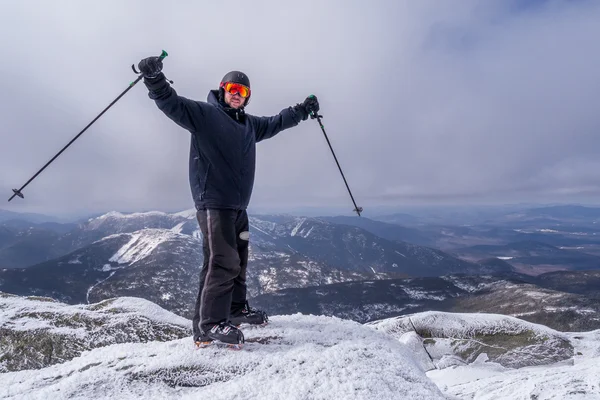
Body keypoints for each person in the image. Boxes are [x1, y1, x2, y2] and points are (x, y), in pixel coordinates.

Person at [137, 55, 319, 346]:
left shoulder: (249, 126)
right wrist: (154, 78)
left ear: (247, 98)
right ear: (222, 90)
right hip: (214, 204)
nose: (236, 95)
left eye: (242, 92)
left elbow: (277, 122)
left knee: (240, 259)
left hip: (238, 208)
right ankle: (209, 324)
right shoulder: (205, 115)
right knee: (222, 260)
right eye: (232, 89)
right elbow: (172, 103)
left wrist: (302, 110)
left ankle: (234, 310)